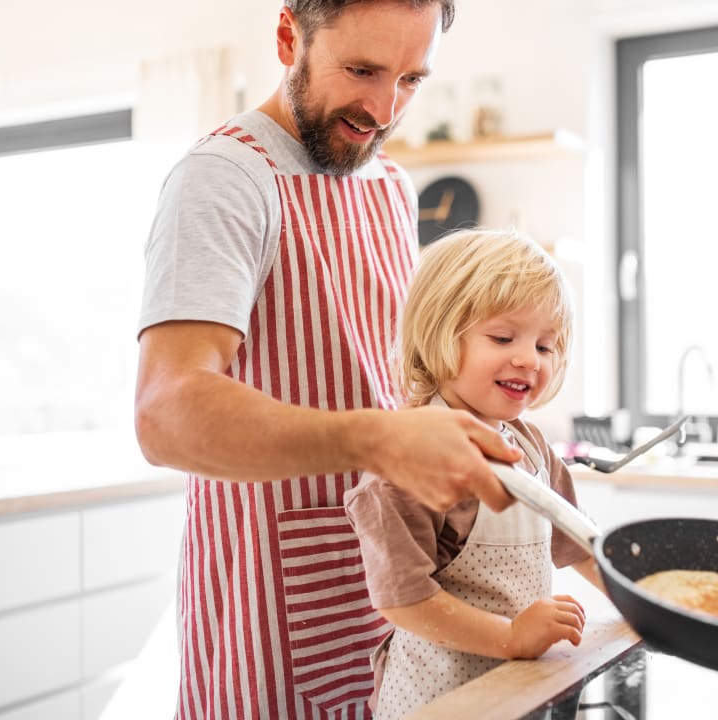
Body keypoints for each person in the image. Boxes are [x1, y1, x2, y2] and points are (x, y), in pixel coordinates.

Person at [134, 2, 522, 718]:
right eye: (362, 70)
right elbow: (165, 412)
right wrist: (377, 439)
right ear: (290, 36)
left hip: (393, 601)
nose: (383, 109)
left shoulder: (390, 188)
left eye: (410, 79)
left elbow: (393, 375)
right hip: (270, 617)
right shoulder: (222, 179)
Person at [344, 229, 608, 719]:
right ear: (440, 334)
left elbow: (582, 543)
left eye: (546, 346)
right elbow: (403, 601)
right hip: (440, 698)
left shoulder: (531, 447)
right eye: (504, 337)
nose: (529, 358)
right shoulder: (406, 462)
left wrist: (642, 603)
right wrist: (510, 636)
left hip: (516, 687)